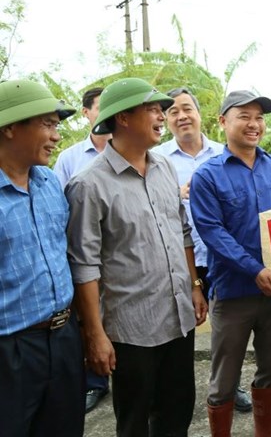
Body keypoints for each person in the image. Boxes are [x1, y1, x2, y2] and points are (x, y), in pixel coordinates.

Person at [65, 77, 208, 437]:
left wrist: (194, 285)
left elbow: (183, 232)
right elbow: (84, 265)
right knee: (134, 420)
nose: (163, 115)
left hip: (177, 317)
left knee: (177, 412)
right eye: (153, 109)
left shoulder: (163, 168)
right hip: (130, 331)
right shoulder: (89, 185)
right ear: (123, 118)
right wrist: (94, 335)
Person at [191, 90, 271, 436]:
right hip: (234, 292)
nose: (254, 124)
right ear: (223, 122)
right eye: (244, 116)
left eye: (260, 117)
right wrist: (256, 270)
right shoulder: (207, 175)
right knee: (223, 379)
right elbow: (212, 233)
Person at [151, 88, 252, 413]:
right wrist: (176, 194)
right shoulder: (159, 160)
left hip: (226, 258)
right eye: (173, 112)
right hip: (183, 258)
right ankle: (176, 391)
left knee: (231, 329)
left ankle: (230, 385)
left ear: (200, 113)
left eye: (187, 109)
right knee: (181, 322)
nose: (181, 117)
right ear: (166, 120)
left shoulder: (226, 154)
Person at [0, 79, 83, 436]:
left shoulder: (50, 182)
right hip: (11, 349)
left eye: (56, 125)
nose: (56, 135)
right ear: (10, 128)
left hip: (64, 337)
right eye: (47, 124)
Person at [53, 86, 113, 413]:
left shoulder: (135, 151)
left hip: (121, 252)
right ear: (87, 113)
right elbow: (59, 206)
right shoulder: (70, 159)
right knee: (90, 317)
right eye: (99, 108)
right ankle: (95, 382)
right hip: (85, 251)